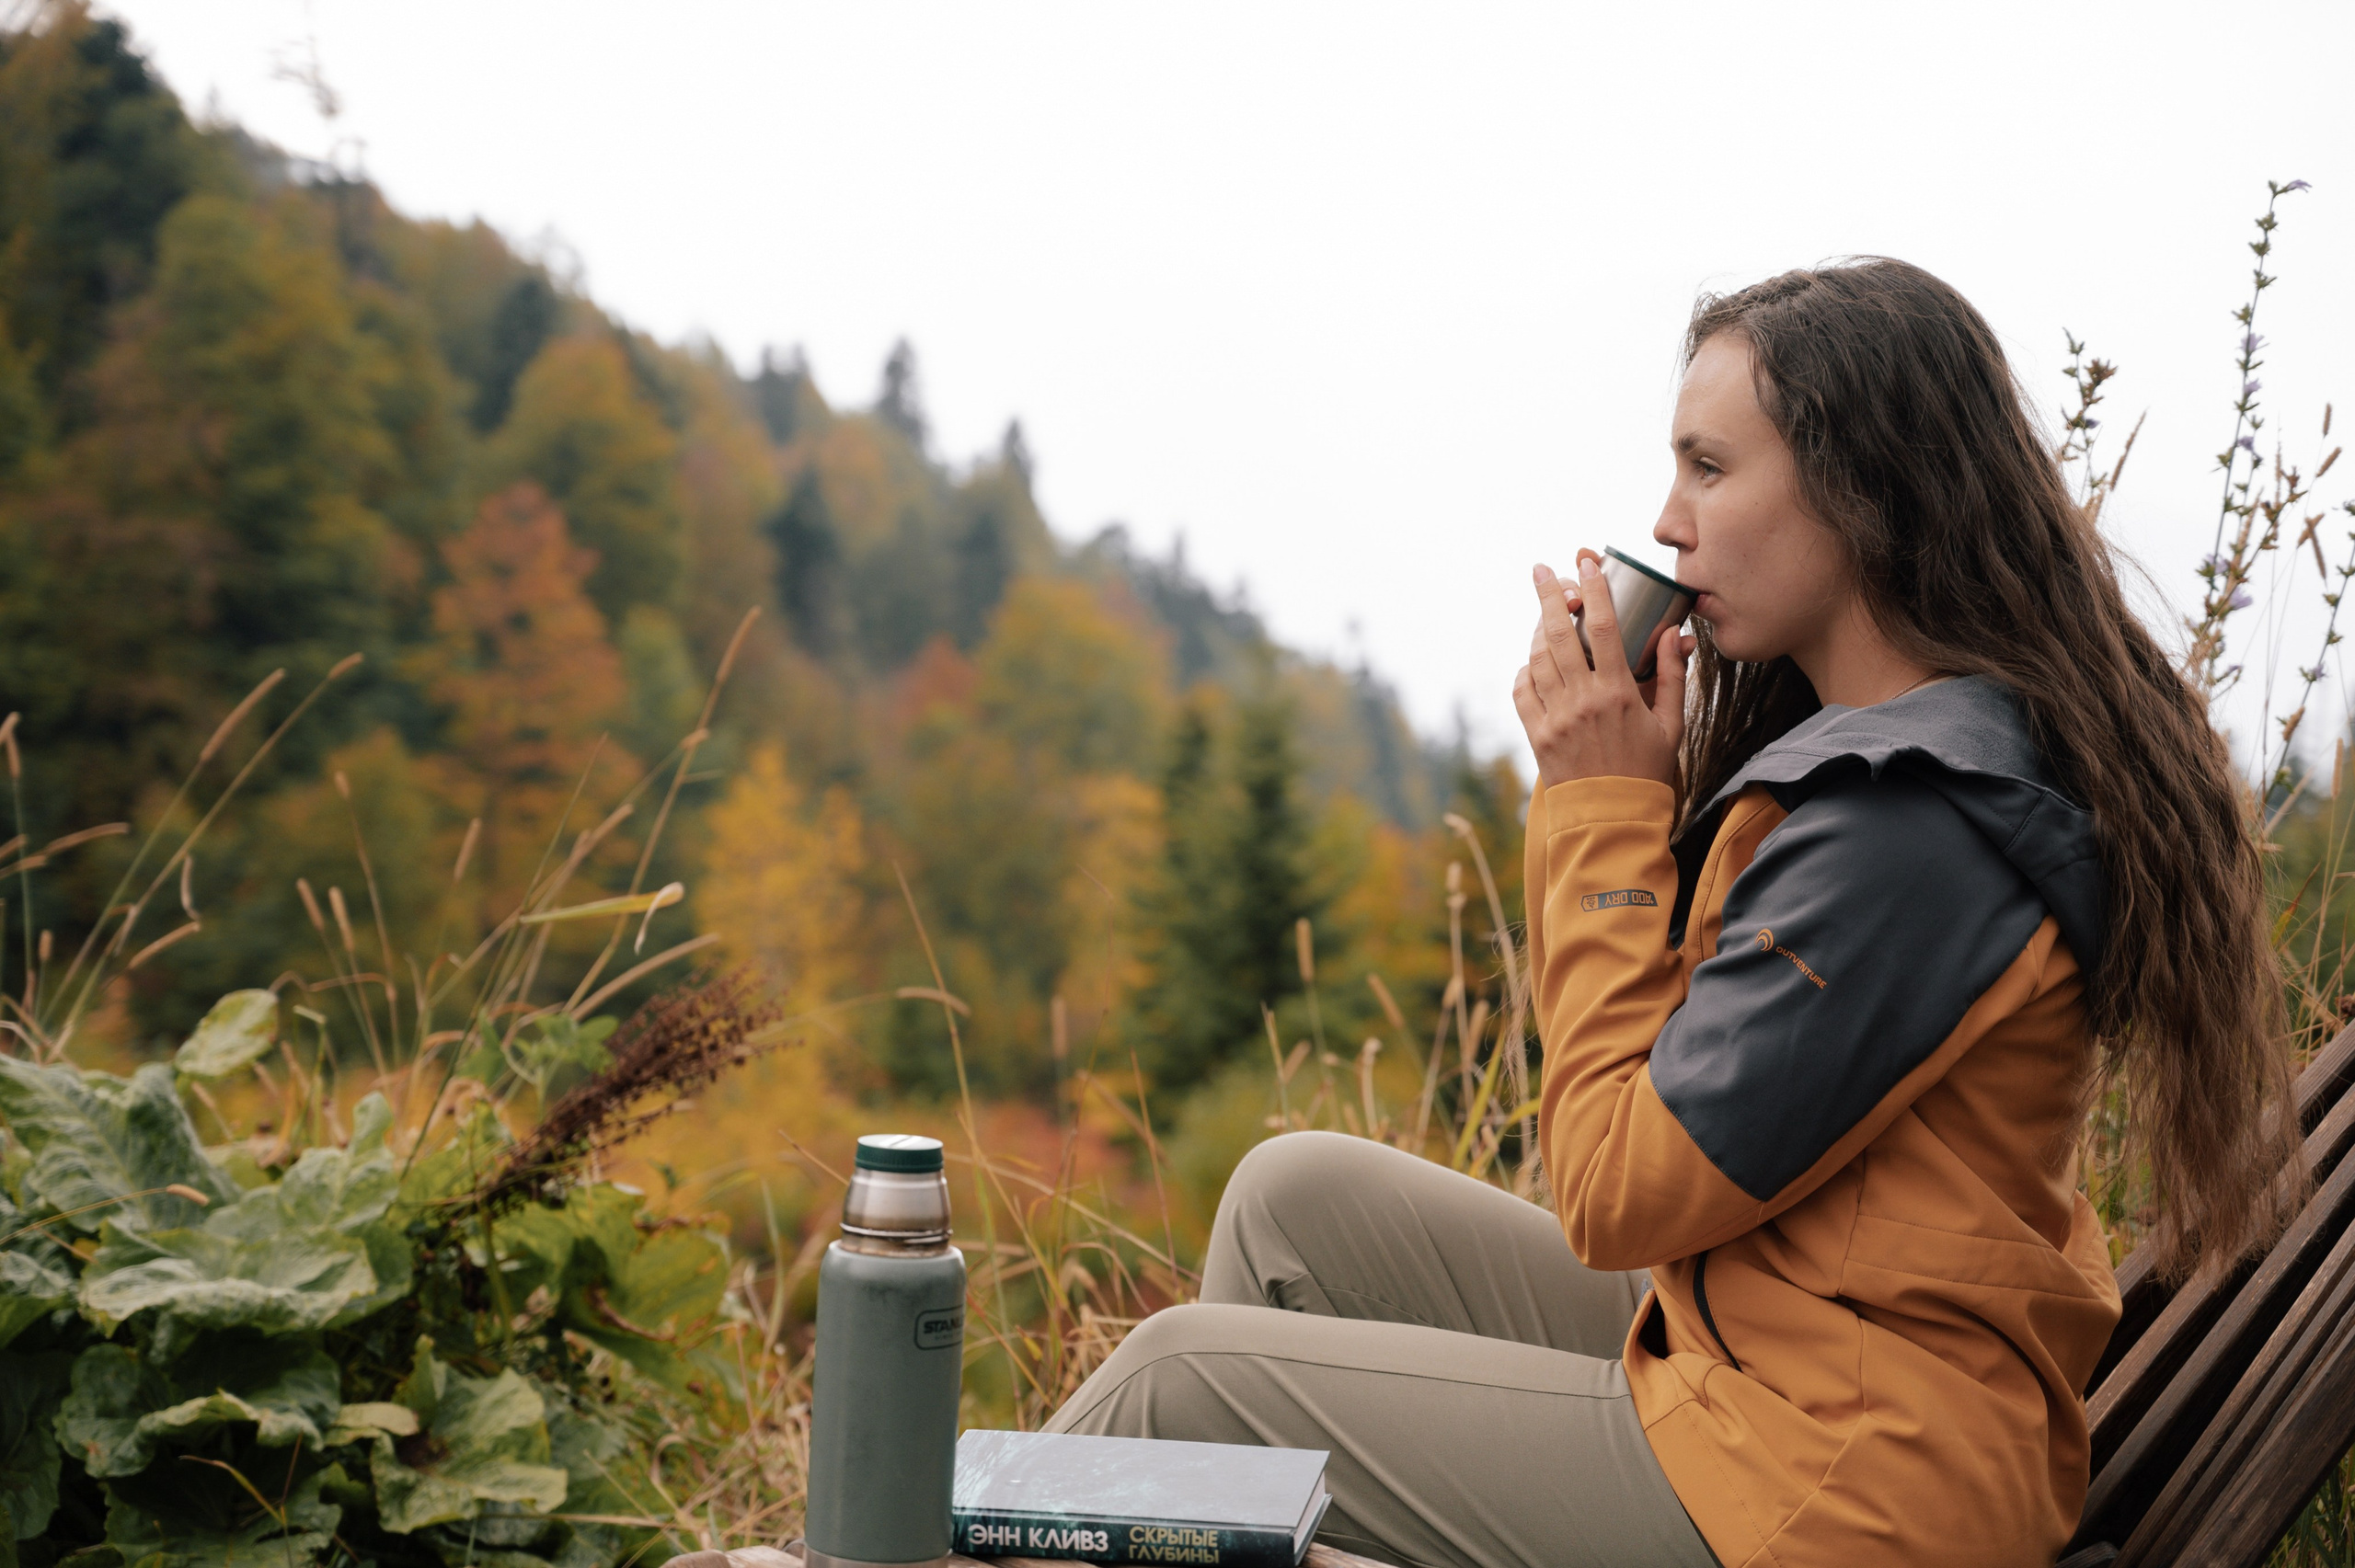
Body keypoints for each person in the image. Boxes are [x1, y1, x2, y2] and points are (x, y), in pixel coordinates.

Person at [1046, 259, 2303, 1568]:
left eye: (1711, 466)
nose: (1668, 517)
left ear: (1862, 487)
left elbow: (1613, 1191)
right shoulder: (1903, 764)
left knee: (1175, 1391)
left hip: (1836, 1490)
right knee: (1294, 1202)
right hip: (1772, 1367)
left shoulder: (1913, 828)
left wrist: (1598, 806)